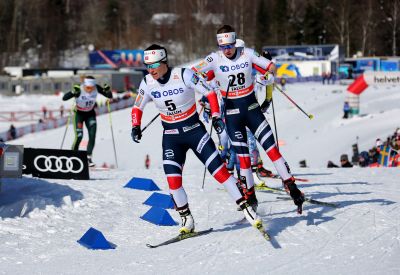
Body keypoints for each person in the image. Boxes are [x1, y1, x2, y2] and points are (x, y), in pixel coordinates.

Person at [131, 44, 262, 234]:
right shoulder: (147, 82)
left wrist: (216, 116)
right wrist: (135, 126)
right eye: (147, 65)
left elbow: (209, 92)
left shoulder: (183, 75)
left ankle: (247, 208)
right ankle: (186, 219)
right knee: (172, 180)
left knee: (219, 172)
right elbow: (137, 106)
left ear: (164, 62)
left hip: (194, 132)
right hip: (171, 138)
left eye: (154, 65)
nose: (151, 70)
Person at [192, 25, 304, 214]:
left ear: (235, 42)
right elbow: (193, 73)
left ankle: (292, 187)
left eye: (230, 45)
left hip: (252, 110)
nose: (227, 49)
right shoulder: (214, 59)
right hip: (232, 114)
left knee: (272, 150)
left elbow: (271, 66)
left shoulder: (248, 54)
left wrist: (268, 75)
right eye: (223, 46)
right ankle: (250, 196)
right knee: (243, 159)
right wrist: (204, 84)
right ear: (219, 46)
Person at [62, 76, 112, 167]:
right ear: (84, 85)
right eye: (87, 87)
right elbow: (64, 98)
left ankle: (88, 157)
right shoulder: (79, 88)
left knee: (92, 136)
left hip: (90, 114)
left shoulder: (96, 88)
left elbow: (109, 96)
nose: (89, 90)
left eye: (91, 88)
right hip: (79, 114)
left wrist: (108, 90)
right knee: (79, 137)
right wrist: (73, 92)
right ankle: (73, 156)